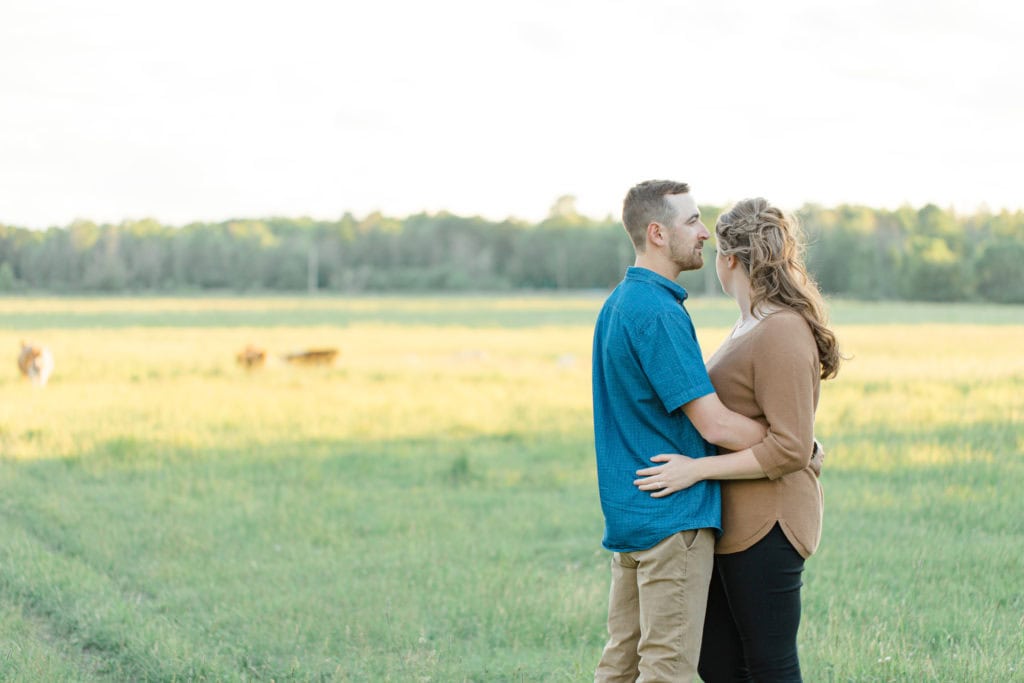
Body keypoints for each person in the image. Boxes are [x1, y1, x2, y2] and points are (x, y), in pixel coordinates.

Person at [633, 197, 841, 682]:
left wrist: (697, 468)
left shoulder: (782, 330)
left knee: (770, 665)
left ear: (729, 260)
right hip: (733, 518)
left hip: (770, 521)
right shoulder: (749, 324)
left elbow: (789, 447)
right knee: (720, 663)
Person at [592, 180, 770, 682]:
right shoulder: (659, 313)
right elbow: (712, 421)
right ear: (657, 233)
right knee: (667, 670)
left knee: (620, 665)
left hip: (632, 516)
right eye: (691, 221)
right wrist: (787, 439)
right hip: (672, 522)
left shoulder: (619, 304)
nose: (705, 232)